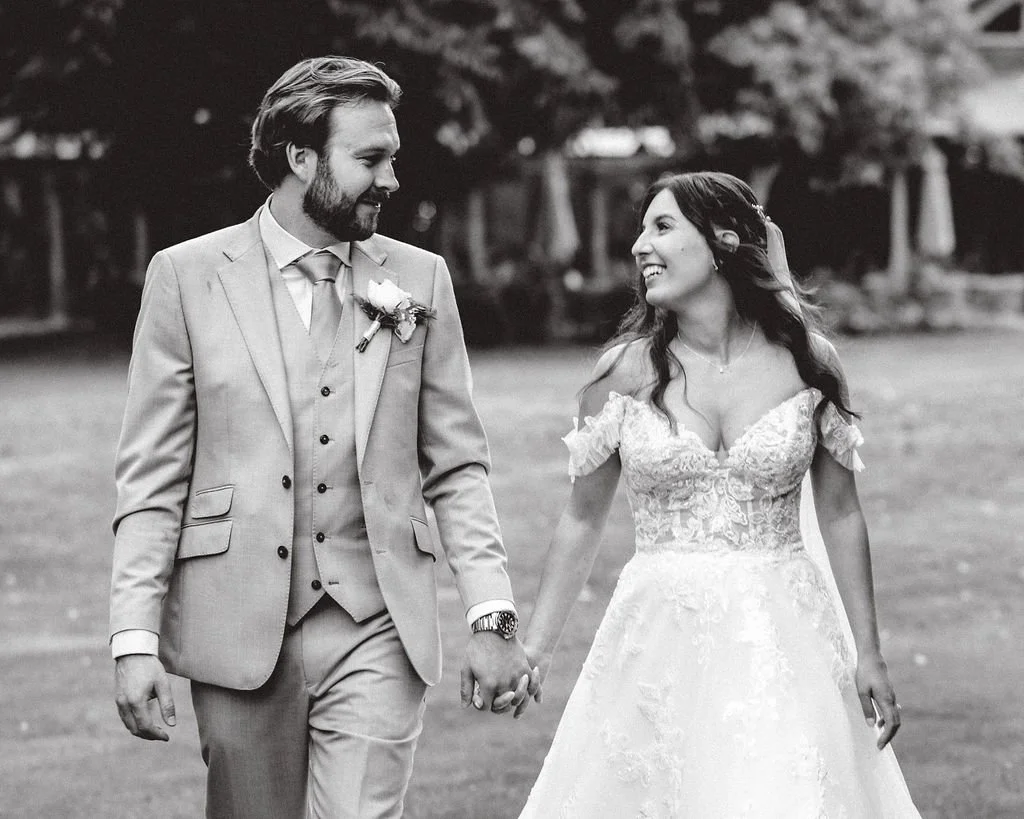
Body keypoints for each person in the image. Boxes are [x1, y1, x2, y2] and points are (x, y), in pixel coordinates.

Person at [109, 56, 536, 819]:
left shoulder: (420, 280)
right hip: (237, 630)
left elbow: (459, 467)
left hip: (377, 621)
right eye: (370, 159)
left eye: (392, 158)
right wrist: (133, 637)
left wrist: (492, 615)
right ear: (300, 158)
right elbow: (152, 477)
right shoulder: (186, 277)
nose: (392, 180)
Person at [516, 172, 922, 816]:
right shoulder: (623, 371)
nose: (640, 247)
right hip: (658, 635)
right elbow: (580, 519)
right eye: (641, 230)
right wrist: (533, 648)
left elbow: (841, 514)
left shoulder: (809, 363)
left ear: (725, 241)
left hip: (785, 635)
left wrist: (867, 653)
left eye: (663, 226)